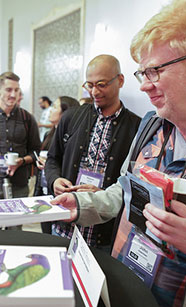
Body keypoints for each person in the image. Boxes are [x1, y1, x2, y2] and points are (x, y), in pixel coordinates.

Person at [52, 0, 186, 307]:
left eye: (154, 71)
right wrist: (80, 206)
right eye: (142, 72)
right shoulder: (152, 129)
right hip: (118, 297)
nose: (143, 86)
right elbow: (123, 193)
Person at [46, 55, 141, 247]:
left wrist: (104, 196)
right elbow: (52, 159)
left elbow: (132, 182)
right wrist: (55, 179)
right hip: (65, 227)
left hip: (103, 233)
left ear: (120, 80)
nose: (94, 91)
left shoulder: (136, 127)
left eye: (102, 84)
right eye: (89, 85)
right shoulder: (71, 118)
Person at [0, 71, 41, 204]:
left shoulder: (27, 119)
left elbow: (36, 152)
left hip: (19, 183)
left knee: (16, 225)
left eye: (16, 90)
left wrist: (21, 161)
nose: (13, 94)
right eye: (9, 90)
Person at [33, 96, 79, 233]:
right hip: (44, 188)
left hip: (60, 192)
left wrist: (51, 166)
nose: (50, 111)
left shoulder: (73, 137)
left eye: (54, 107)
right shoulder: (49, 133)